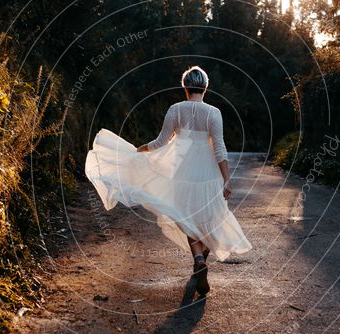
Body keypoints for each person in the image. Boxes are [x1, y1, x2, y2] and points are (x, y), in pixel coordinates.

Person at [84, 66, 252, 296]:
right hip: (208, 173)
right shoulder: (214, 112)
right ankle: (202, 261)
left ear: (185, 87)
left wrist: (138, 151)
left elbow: (161, 141)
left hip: (182, 172)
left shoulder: (176, 109)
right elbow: (220, 148)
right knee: (210, 218)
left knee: (188, 216)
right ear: (205, 87)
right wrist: (226, 179)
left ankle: (198, 260)